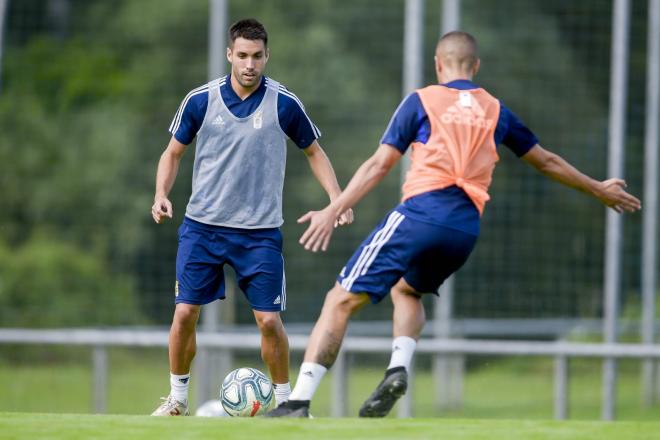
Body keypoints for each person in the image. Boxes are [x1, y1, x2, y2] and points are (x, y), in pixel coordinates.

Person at [266, 31, 641, 418]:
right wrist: (599, 189)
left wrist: (334, 207)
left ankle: (298, 402)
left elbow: (380, 164)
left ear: (437, 64)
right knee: (407, 291)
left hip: (422, 213)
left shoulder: (422, 101)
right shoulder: (496, 110)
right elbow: (546, 161)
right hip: (464, 230)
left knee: (339, 299)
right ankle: (398, 367)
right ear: (475, 67)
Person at [150, 18, 352, 416]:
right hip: (203, 227)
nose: (249, 64)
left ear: (267, 56)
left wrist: (336, 199)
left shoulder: (284, 103)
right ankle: (176, 399)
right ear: (229, 54)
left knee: (268, 321)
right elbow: (172, 152)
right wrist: (160, 194)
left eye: (257, 56)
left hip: (259, 234)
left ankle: (287, 404)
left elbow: (314, 152)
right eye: (242, 55)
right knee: (185, 313)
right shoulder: (200, 100)